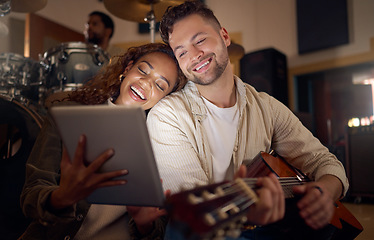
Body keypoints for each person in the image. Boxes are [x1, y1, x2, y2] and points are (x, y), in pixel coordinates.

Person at [146, 1, 350, 239]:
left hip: (262, 228)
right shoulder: (167, 115)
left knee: (325, 227)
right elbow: (192, 208)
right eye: (181, 52)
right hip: (204, 230)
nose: (194, 55)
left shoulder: (267, 107)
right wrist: (247, 215)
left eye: (200, 40)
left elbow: (323, 161)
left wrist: (324, 190)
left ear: (224, 36)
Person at [19, 43, 187, 240]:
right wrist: (60, 198)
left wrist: (145, 226)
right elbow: (30, 196)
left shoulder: (163, 143)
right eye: (143, 70)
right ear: (127, 69)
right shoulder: (68, 115)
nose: (146, 83)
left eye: (160, 85)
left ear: (166, 99)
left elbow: (159, 231)